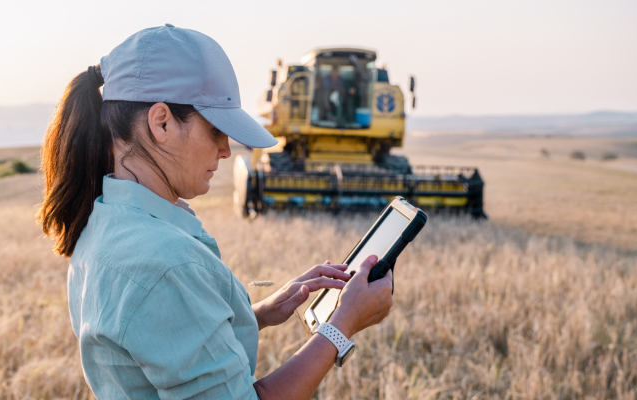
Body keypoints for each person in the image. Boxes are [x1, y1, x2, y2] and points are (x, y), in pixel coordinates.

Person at [38, 24, 393, 400]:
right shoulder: (167, 264)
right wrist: (341, 326)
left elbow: (158, 339)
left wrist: (256, 313)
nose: (226, 150)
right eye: (215, 130)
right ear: (161, 123)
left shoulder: (105, 221)